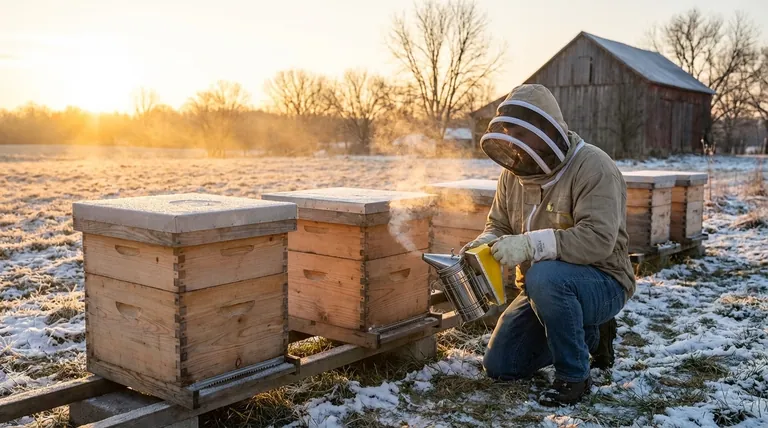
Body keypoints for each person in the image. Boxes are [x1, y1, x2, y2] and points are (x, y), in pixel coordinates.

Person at [461, 84, 635, 406]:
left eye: (521, 135)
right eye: (509, 134)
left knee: (545, 276)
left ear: (545, 129)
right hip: (540, 289)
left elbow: (598, 240)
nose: (514, 145)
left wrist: (530, 245)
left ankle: (574, 376)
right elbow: (499, 224)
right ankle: (590, 334)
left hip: (602, 280)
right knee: (502, 366)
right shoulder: (512, 174)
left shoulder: (593, 166)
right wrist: (485, 243)